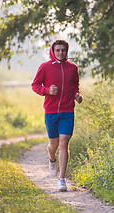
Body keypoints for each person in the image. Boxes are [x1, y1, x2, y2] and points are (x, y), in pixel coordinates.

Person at [32, 39, 82, 191]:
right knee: (53, 145)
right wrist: (47, 90)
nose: (61, 53)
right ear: (53, 51)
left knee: (64, 142)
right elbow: (35, 85)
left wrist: (77, 95)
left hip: (67, 111)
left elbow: (75, 86)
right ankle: (51, 159)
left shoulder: (73, 68)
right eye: (58, 50)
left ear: (67, 51)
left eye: (63, 50)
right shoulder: (45, 67)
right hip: (51, 111)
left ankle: (61, 179)